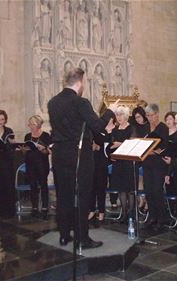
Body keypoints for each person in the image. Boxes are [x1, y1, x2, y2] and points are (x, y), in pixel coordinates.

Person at [48, 67, 118, 249]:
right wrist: (110, 111)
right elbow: (97, 126)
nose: (84, 86)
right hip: (79, 156)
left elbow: (69, 126)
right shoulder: (81, 102)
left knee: (63, 195)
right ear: (80, 82)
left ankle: (64, 235)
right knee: (82, 196)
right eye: (85, 82)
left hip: (59, 154)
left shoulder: (52, 102)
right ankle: (82, 238)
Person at [143, 104, 170, 230]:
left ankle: (162, 218)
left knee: (157, 190)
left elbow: (163, 147)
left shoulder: (163, 128)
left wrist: (150, 151)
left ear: (157, 114)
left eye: (151, 115)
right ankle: (152, 216)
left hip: (159, 163)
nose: (149, 118)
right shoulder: (145, 127)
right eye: (147, 116)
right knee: (148, 190)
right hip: (147, 163)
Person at [107, 106, 135, 223]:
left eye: (121, 115)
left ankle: (131, 213)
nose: (118, 117)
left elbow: (132, 144)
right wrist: (111, 152)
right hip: (118, 162)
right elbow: (109, 145)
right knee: (121, 189)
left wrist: (120, 144)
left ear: (126, 116)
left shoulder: (131, 128)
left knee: (130, 189)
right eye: (117, 115)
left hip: (128, 162)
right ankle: (123, 213)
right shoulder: (115, 130)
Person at [23, 115, 51, 219]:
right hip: (30, 163)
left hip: (42, 163)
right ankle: (34, 207)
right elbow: (26, 150)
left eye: (32, 124)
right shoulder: (27, 136)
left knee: (43, 185)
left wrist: (42, 148)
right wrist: (24, 150)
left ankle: (44, 207)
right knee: (33, 185)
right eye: (29, 124)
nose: (30, 126)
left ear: (38, 124)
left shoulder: (45, 136)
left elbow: (48, 151)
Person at [0, 110, 16, 219]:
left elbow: (12, 147)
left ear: (5, 120)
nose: (0, 121)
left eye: (2, 119)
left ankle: (10, 211)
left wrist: (11, 143)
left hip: (7, 161)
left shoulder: (9, 130)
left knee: (8, 185)